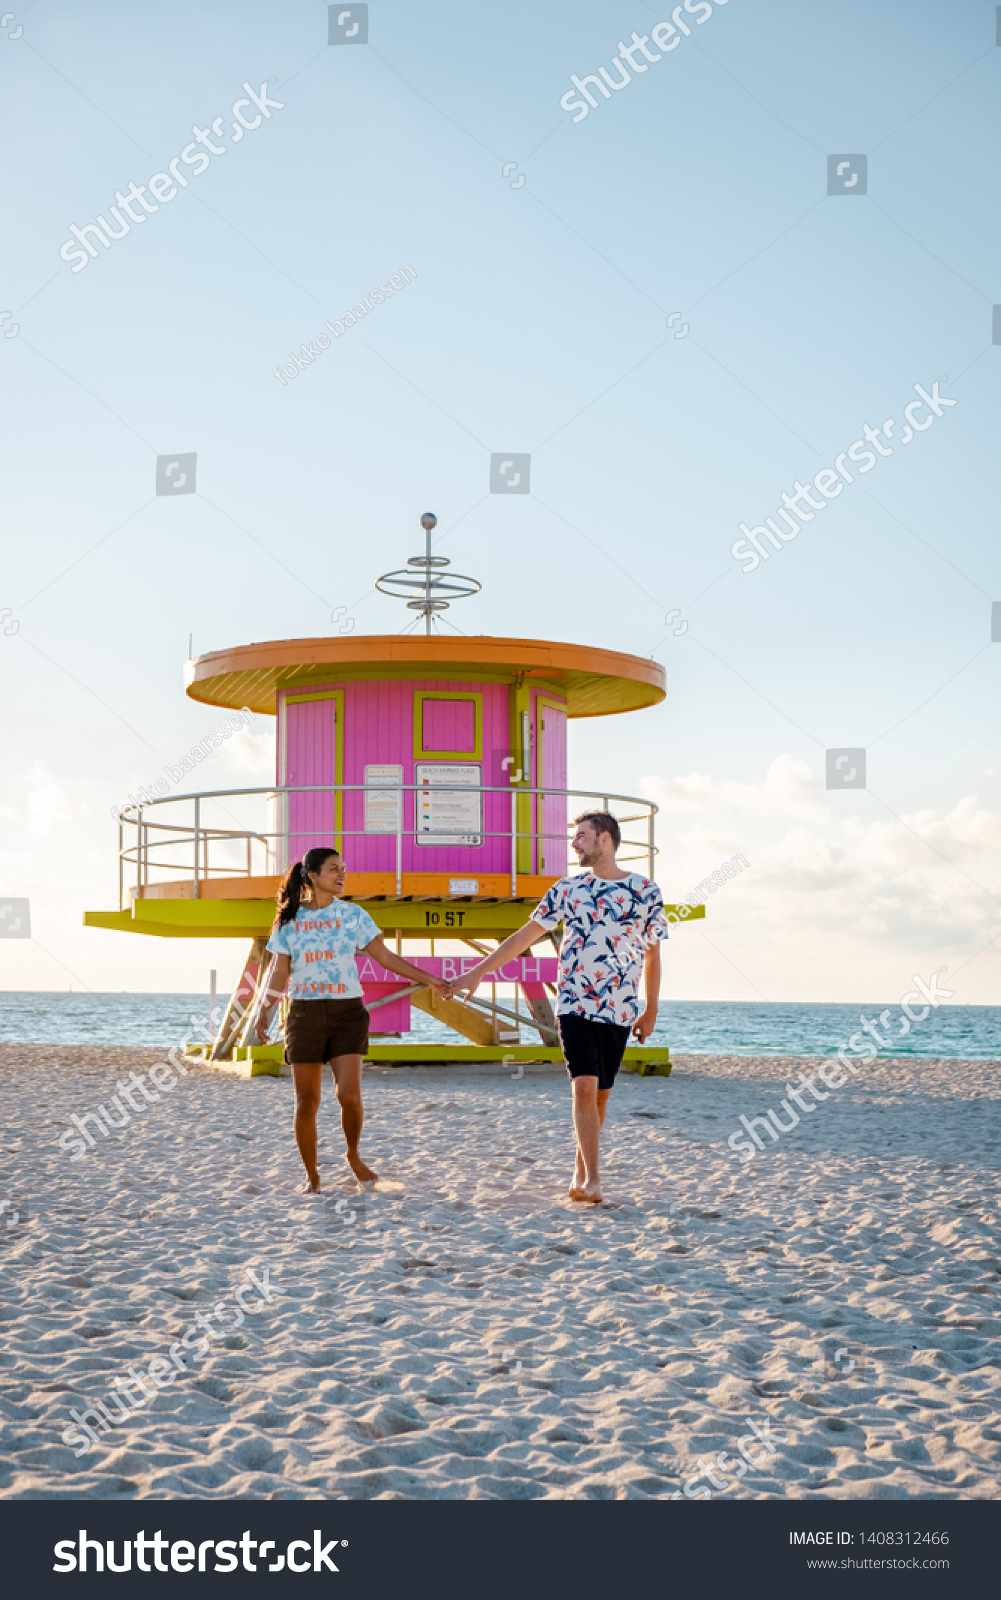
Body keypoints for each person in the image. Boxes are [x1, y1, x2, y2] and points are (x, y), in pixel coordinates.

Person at [444, 812, 668, 1204]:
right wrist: (478, 971)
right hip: (574, 1003)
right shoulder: (567, 889)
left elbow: (652, 956)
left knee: (600, 1096)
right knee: (583, 1088)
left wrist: (651, 1010)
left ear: (605, 840)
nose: (574, 843)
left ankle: (581, 1170)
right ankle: (595, 1180)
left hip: (619, 1008)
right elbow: (523, 936)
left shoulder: (645, 891)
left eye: (581, 836)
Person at [257, 846, 447, 1193]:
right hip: (304, 1013)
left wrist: (430, 979)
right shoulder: (288, 920)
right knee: (306, 1102)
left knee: (349, 1096)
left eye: (343, 868)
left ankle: (353, 1154)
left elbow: (386, 958)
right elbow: (278, 973)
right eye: (333, 869)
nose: (341, 874)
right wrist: (264, 1010)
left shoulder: (354, 915)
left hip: (347, 1012)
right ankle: (312, 1175)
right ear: (312, 875)